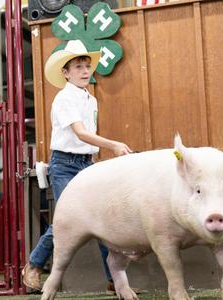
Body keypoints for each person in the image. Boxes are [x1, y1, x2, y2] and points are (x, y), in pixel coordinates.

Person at [22, 40, 132, 292]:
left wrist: (99, 154)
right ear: (65, 72)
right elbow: (81, 133)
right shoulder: (64, 99)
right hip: (65, 164)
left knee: (102, 219)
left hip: (86, 164)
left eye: (87, 66)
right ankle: (34, 265)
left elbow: (87, 137)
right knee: (66, 219)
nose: (85, 71)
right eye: (78, 66)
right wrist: (114, 144)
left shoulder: (90, 100)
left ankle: (113, 279)